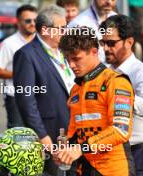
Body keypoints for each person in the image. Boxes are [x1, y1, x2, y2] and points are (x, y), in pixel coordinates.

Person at [54, 27, 135, 176]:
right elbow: (73, 134)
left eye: (76, 58)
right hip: (84, 169)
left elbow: (120, 130)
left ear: (94, 51)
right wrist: (64, 152)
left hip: (114, 170)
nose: (71, 65)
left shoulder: (116, 82)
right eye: (67, 59)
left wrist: (81, 148)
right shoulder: (75, 89)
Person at [13, 5, 75, 175]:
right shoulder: (26, 55)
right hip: (51, 133)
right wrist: (42, 136)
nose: (66, 32)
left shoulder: (64, 51)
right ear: (46, 30)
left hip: (74, 129)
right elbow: (26, 101)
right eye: (62, 28)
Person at [100, 14, 143, 176]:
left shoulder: (139, 72)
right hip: (107, 153)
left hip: (135, 153)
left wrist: (121, 96)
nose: (105, 48)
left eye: (111, 43)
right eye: (103, 42)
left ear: (129, 42)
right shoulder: (103, 72)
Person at [0, 4, 37, 128]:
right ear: (18, 22)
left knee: (39, 136)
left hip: (39, 96)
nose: (32, 23)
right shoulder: (9, 43)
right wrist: (18, 75)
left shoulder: (42, 41)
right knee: (18, 137)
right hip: (16, 97)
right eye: (28, 21)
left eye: (35, 20)